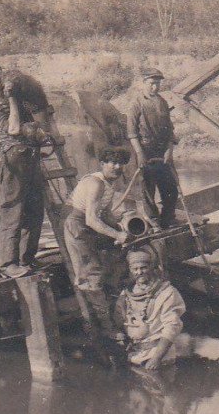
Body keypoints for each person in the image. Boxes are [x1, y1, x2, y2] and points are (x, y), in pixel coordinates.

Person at [0, 59, 49, 277]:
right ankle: (8, 263)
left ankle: (27, 259)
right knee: (13, 210)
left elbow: (38, 123)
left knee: (35, 208)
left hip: (32, 155)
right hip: (14, 157)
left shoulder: (18, 98)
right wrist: (12, 100)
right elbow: (14, 128)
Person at [64, 147, 135, 336]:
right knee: (92, 273)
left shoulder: (109, 184)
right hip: (78, 227)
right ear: (102, 164)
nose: (117, 167)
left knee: (118, 256)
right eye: (112, 162)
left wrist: (122, 227)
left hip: (91, 226)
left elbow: (105, 213)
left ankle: (116, 307)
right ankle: (104, 327)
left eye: (121, 163)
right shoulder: (96, 183)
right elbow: (91, 219)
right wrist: (118, 235)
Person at [114, 246, 186, 370]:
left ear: (151, 267)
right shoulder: (125, 294)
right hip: (134, 354)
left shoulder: (166, 293)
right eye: (135, 269)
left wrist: (156, 358)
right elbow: (118, 320)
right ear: (130, 270)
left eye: (143, 267)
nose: (139, 272)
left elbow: (172, 326)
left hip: (158, 355)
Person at [126, 68, 179, 228]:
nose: (155, 87)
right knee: (148, 189)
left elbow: (170, 130)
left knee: (171, 189)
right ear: (143, 83)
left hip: (162, 153)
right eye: (151, 83)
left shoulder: (162, 102)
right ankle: (154, 221)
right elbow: (132, 132)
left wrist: (169, 150)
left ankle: (167, 219)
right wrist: (140, 153)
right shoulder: (136, 104)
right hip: (145, 151)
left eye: (157, 84)